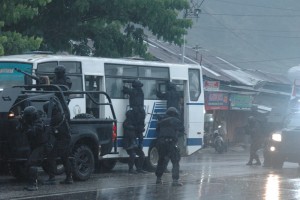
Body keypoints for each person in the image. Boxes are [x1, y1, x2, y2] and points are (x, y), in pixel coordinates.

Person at [43, 99, 73, 185]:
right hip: (65, 139)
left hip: (63, 140)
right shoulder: (58, 114)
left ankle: (52, 178)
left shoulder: (56, 117)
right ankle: (69, 178)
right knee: (64, 158)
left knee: (51, 156)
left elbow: (46, 124)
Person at [20, 106, 48, 191]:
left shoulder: (39, 123)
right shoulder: (32, 121)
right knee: (28, 164)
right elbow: (21, 130)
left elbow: (32, 132)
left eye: (27, 116)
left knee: (32, 163)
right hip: (35, 146)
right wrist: (23, 123)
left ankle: (33, 185)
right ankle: (31, 183)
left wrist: (25, 124)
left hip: (41, 146)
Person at [155, 107, 184, 186]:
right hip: (171, 143)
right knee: (175, 161)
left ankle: (158, 179)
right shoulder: (176, 121)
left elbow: (157, 131)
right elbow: (182, 130)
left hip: (161, 143)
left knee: (161, 160)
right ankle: (175, 181)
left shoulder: (161, 121)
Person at [123, 80, 146, 150]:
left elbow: (125, 90)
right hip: (142, 112)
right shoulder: (141, 92)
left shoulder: (133, 91)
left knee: (130, 126)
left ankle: (134, 142)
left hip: (135, 112)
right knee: (140, 128)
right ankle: (141, 144)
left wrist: (124, 85)